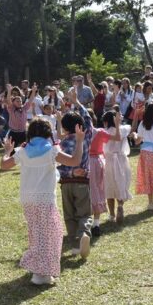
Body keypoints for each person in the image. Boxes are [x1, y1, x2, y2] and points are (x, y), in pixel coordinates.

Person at [0, 118, 84, 285]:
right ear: (48, 133)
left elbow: (4, 165)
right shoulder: (52, 151)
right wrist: (80, 141)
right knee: (51, 235)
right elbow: (75, 161)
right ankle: (41, 274)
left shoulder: (22, 151)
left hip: (28, 200)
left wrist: (7, 151)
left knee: (37, 234)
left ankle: (39, 270)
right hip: (45, 200)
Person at [57, 89, 93, 259]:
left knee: (69, 215)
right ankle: (84, 234)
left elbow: (57, 164)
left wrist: (69, 171)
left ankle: (74, 243)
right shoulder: (86, 137)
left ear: (64, 127)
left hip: (65, 183)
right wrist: (76, 102)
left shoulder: (61, 143)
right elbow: (88, 119)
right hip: (82, 181)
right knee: (84, 213)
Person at [101, 111, 132, 224]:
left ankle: (112, 214)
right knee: (121, 184)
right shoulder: (123, 129)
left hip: (109, 160)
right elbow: (132, 127)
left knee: (109, 186)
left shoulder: (105, 132)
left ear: (105, 122)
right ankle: (120, 205)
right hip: (122, 160)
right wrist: (136, 115)